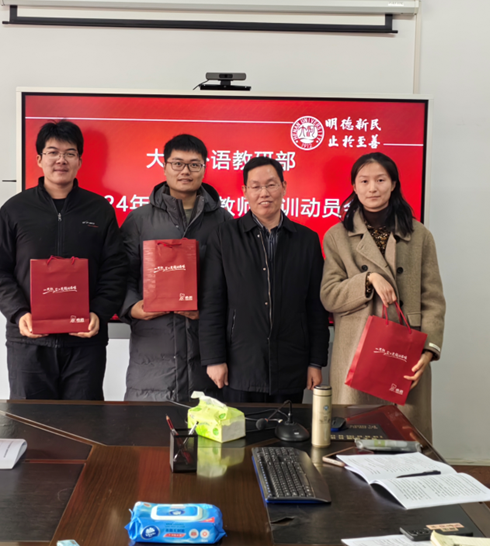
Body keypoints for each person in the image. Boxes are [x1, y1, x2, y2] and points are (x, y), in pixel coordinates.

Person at [0, 120, 128, 400]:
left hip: (85, 342)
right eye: (53, 152)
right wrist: (18, 312)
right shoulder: (15, 209)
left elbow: (115, 268)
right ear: (39, 159)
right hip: (29, 341)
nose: (61, 160)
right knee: (31, 419)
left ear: (79, 161)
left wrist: (98, 312)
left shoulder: (100, 210)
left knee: (83, 420)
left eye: (70, 153)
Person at [320, 152, 445, 441]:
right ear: (354, 186)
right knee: (355, 438)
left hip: (405, 352)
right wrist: (368, 280)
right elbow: (329, 296)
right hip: (357, 351)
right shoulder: (337, 236)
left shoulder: (419, 235)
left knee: (405, 439)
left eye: (380, 180)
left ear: (393, 184)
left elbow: (433, 299)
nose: (372, 188)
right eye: (364, 181)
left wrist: (428, 350)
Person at [199, 157, 330, 404]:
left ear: (283, 187)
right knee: (239, 428)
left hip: (291, 363)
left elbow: (316, 306)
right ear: (245, 191)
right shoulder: (224, 236)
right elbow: (212, 302)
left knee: (288, 428)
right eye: (256, 186)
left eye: (271, 185)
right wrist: (214, 359)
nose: (264, 193)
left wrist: (315, 361)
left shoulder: (306, 240)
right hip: (240, 364)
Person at [120, 134, 232, 401]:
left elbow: (234, 282)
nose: (185, 171)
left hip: (206, 352)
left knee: (207, 426)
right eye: (178, 163)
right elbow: (120, 274)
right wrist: (132, 307)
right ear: (164, 166)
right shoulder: (139, 220)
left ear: (204, 168)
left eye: (194, 164)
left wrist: (207, 311)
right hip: (152, 359)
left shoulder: (223, 222)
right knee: (148, 427)